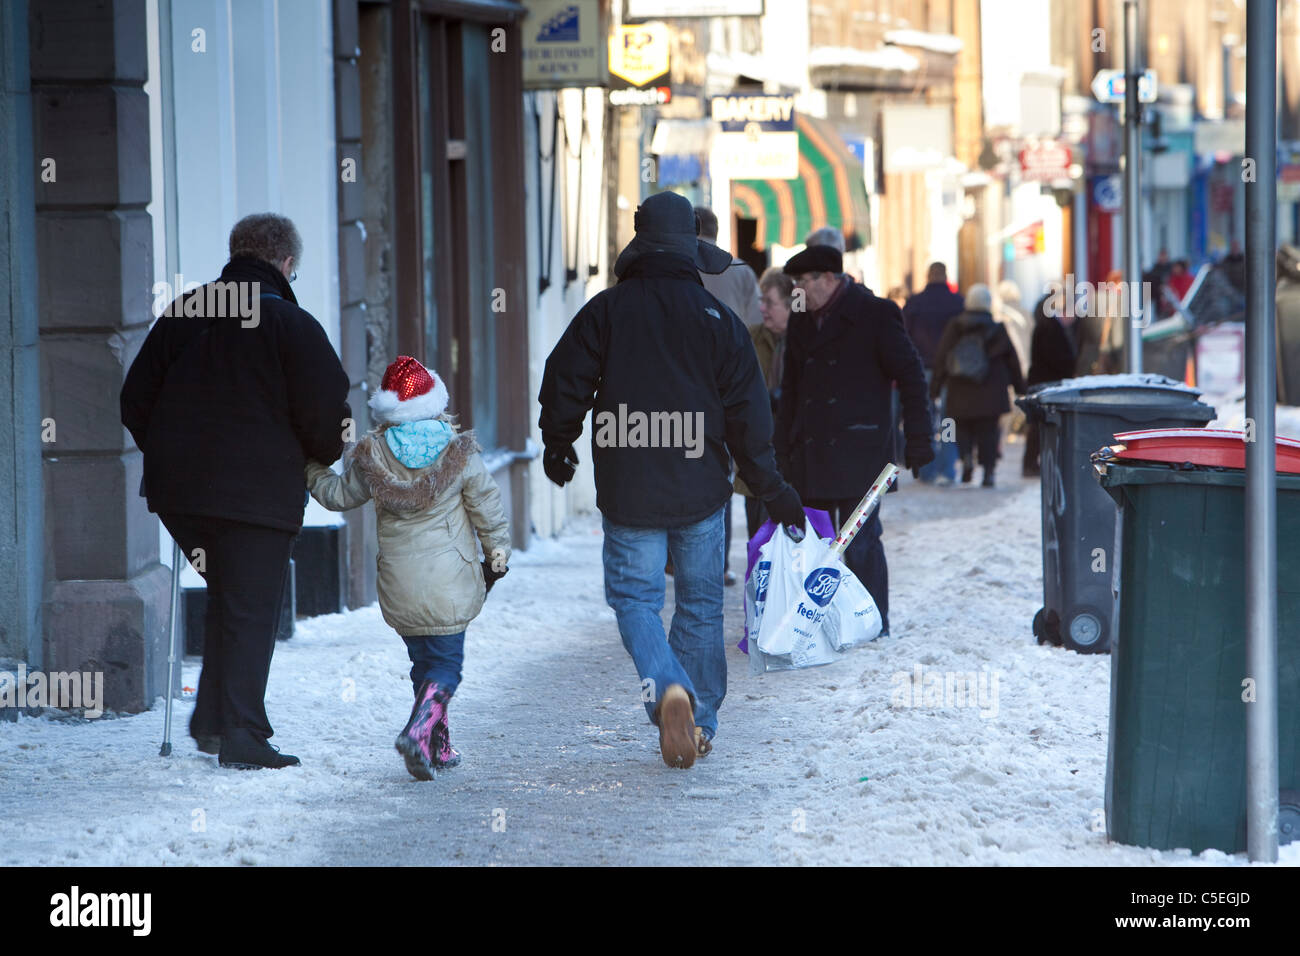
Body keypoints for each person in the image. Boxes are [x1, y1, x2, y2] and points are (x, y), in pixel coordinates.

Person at [538, 191, 805, 768]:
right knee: (703, 603)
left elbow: (564, 379)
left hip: (629, 487)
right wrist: (772, 488)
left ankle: (666, 689)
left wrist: (559, 445)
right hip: (702, 490)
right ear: (691, 247)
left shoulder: (604, 312)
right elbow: (749, 416)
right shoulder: (720, 322)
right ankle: (700, 718)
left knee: (635, 598)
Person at [120, 213, 351, 770]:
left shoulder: (184, 312)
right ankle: (242, 733)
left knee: (230, 593)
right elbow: (327, 414)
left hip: (181, 493)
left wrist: (174, 452)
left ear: (236, 253)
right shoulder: (292, 326)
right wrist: (314, 455)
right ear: (287, 264)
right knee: (250, 605)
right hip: (256, 495)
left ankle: (213, 720)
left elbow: (135, 398)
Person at [305, 356, 510, 781]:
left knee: (424, 665)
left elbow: (338, 495)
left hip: (401, 584)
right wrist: (497, 552)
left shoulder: (372, 456)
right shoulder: (458, 452)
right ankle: (418, 733)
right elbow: (486, 506)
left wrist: (307, 467)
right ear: (434, 401)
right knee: (446, 667)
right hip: (449, 581)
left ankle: (439, 744)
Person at [777, 244, 933, 637]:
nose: (798, 290)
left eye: (803, 282)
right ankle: (821, 625)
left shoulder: (876, 314)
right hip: (809, 452)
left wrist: (919, 439)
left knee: (861, 543)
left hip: (861, 454)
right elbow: (791, 389)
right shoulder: (801, 319)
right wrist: (779, 449)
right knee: (813, 547)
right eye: (795, 283)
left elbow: (912, 377)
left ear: (829, 279)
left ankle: (872, 624)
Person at [696, 207, 762, 585]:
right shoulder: (739, 270)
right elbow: (755, 326)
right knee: (720, 474)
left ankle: (675, 557)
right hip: (727, 384)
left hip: (678, 386)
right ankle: (716, 564)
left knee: (679, 466)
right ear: (718, 233)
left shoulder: (672, 266)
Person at [930, 284, 1026, 488]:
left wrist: (936, 386)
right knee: (988, 432)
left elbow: (941, 357)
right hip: (990, 390)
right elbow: (1012, 360)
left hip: (960, 389)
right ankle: (989, 472)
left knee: (961, 428)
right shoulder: (998, 328)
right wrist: (1020, 387)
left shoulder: (955, 326)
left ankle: (966, 459)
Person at [735, 267, 793, 538]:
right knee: (759, 544)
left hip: (793, 464)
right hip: (757, 461)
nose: (762, 308)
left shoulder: (805, 344)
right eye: (761, 301)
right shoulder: (750, 338)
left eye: (769, 302)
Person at [902, 262, 965, 485]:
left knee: (926, 419)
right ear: (946, 276)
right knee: (948, 420)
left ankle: (927, 470)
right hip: (950, 371)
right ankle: (947, 469)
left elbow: (904, 337)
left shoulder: (915, 303)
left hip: (922, 369)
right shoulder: (958, 302)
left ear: (928, 276)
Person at [1022, 290, 1078, 477]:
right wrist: (1069, 367)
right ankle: (1030, 463)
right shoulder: (1049, 327)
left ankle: (1032, 462)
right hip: (1047, 381)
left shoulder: (1046, 325)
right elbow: (1054, 357)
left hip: (1043, 380)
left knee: (1039, 424)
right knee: (1040, 424)